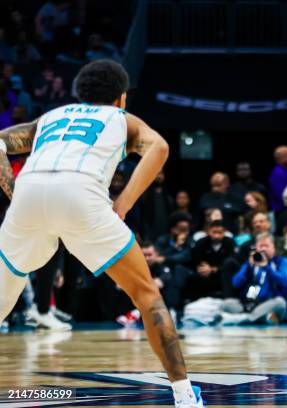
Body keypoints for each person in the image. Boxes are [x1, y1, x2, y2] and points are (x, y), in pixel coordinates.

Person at [0, 60, 203, 407]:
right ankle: (185, 396)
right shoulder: (122, 119)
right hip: (82, 196)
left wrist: (13, 188)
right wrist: (122, 204)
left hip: (29, 196)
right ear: (121, 98)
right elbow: (160, 147)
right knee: (146, 296)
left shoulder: (50, 117)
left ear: (81, 94)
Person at [220, 233, 287, 325]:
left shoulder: (281, 261)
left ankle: (246, 319)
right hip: (249, 304)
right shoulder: (251, 263)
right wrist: (248, 267)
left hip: (269, 304)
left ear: (273, 248)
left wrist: (267, 267)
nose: (263, 249)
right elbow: (235, 283)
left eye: (266, 246)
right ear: (256, 248)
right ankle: (258, 319)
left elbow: (284, 282)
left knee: (280, 303)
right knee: (226, 304)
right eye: (260, 246)